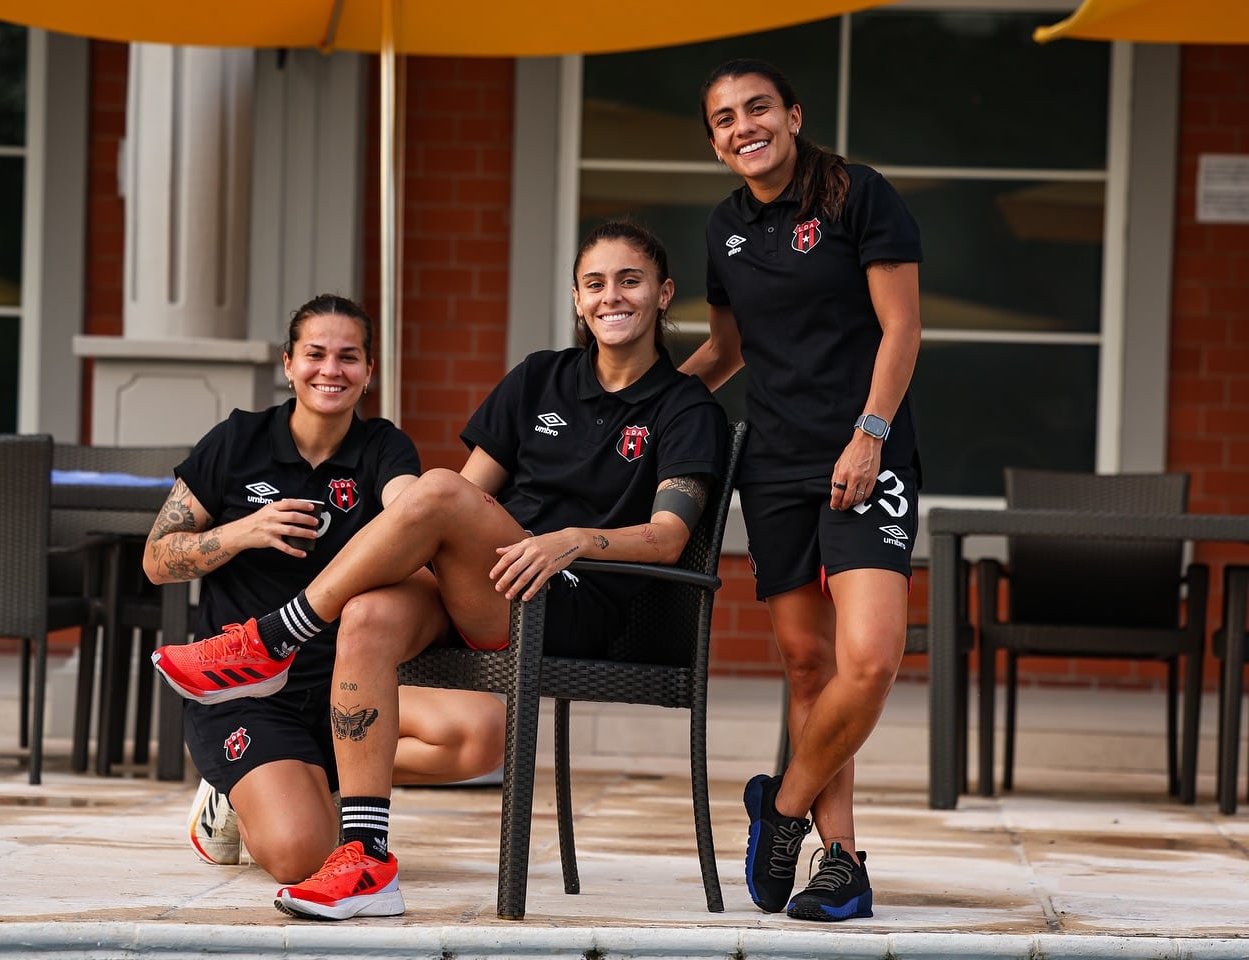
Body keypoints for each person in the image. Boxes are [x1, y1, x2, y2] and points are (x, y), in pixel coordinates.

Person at [153, 220, 730, 920]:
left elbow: (668, 538)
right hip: (490, 580)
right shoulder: (539, 377)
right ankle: (366, 857)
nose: (612, 296)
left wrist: (574, 541)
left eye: (630, 281)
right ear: (577, 299)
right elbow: (461, 502)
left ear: (663, 294)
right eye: (595, 283)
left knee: (438, 491)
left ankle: (275, 635)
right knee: (369, 613)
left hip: (572, 601)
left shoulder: (686, 408)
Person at [141, 293, 505, 884]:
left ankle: (324, 779)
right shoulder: (238, 440)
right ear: (288, 364)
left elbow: (407, 508)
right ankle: (232, 797)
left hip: (343, 682)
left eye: (348, 357)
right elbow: (157, 560)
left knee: (483, 737)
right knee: (299, 855)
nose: (330, 370)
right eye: (315, 354)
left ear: (368, 371)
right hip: (247, 695)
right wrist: (242, 532)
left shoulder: (383, 445)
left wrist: (426, 521)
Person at [682, 59, 923, 923]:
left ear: (792, 115)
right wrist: (640, 407)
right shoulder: (725, 228)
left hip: (866, 457)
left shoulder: (857, 195)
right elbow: (727, 351)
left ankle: (782, 807)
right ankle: (840, 862)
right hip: (775, 468)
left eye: (758, 108)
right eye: (724, 119)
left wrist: (871, 431)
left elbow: (902, 325)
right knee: (808, 664)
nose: (743, 126)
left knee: (871, 659)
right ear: (716, 144)